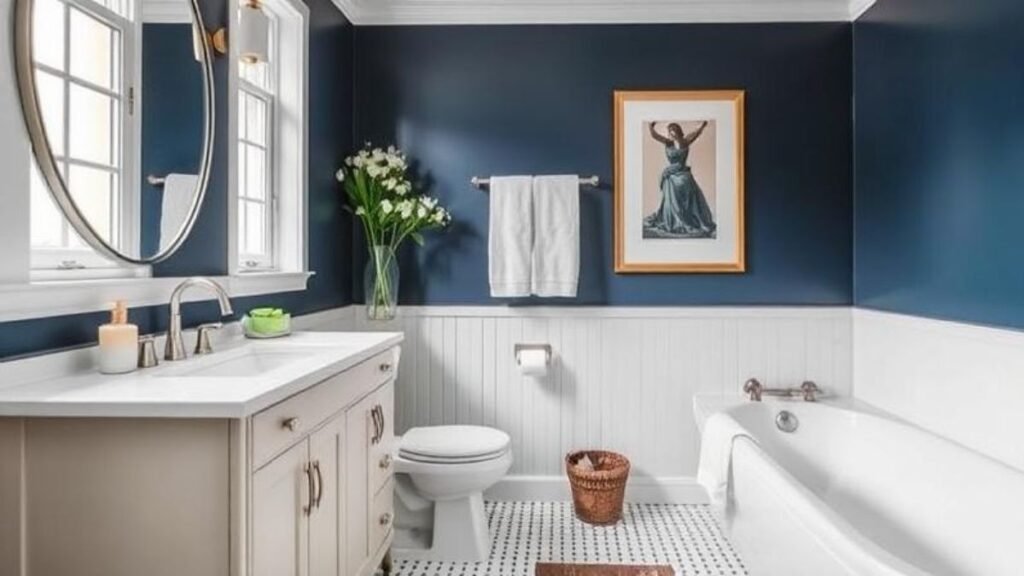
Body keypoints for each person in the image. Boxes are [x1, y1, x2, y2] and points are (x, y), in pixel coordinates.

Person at [644, 121, 717, 238]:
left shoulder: (685, 141)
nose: (670, 134)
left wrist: (703, 125)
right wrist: (650, 126)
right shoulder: (668, 143)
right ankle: (673, 220)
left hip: (684, 174)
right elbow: (655, 136)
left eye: (672, 132)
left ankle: (689, 219)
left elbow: (697, 133)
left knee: (689, 189)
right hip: (671, 176)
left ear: (677, 132)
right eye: (669, 132)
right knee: (672, 187)